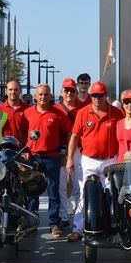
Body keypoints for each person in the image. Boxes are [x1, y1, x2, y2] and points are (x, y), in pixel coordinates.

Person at [66, 80, 123, 242]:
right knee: (85, 194)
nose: (97, 99)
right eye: (94, 95)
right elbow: (74, 137)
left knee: (111, 193)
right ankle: (79, 228)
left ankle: (110, 226)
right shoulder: (83, 113)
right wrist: (70, 158)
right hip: (88, 160)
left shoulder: (116, 113)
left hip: (110, 160)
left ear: (106, 96)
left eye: (100, 95)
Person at [23, 84, 72, 237]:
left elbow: (70, 133)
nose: (43, 97)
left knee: (53, 192)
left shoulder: (58, 113)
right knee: (32, 191)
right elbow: (22, 132)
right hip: (33, 157)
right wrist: (24, 151)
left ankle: (54, 224)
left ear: (51, 96)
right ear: (35, 96)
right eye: (40, 94)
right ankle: (32, 223)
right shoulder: (27, 113)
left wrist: (66, 155)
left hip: (52, 157)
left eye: (46, 94)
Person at [55, 77, 80, 229]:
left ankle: (80, 218)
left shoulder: (82, 110)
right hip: (61, 150)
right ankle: (63, 217)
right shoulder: (56, 110)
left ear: (76, 92)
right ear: (61, 92)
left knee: (78, 186)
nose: (69, 93)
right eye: (66, 90)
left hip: (78, 150)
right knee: (62, 187)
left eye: (72, 90)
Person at [0, 79, 30, 145]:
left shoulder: (28, 110)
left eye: (16, 89)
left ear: (20, 91)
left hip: (21, 151)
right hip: (3, 150)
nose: (13, 92)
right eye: (10, 89)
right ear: (6, 91)